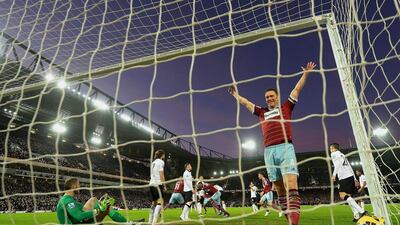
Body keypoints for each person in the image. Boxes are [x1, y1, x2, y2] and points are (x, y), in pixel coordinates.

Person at [229, 62, 317, 225]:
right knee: (280, 190)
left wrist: (306, 74)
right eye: (267, 97)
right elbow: (246, 103)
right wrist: (235, 95)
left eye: (271, 96)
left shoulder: (286, 107)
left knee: (291, 185)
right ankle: (289, 218)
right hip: (269, 152)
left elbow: (296, 89)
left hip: (285, 148)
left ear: (277, 96)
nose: (269, 98)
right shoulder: (261, 112)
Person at [56, 178, 142, 224]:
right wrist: (98, 210)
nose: (80, 187)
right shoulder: (67, 201)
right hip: (78, 223)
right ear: (74, 186)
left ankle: (129, 223)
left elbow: (83, 210)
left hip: (81, 222)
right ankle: (129, 223)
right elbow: (79, 216)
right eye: (79, 185)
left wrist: (100, 203)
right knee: (101, 208)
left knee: (97, 202)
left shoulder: (69, 199)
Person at [330, 143, 367, 221]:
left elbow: (337, 164)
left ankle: (362, 211)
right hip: (350, 176)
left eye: (331, 148)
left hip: (344, 177)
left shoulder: (334, 154)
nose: (330, 150)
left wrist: (334, 175)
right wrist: (354, 179)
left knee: (342, 195)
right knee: (348, 196)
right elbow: (350, 166)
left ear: (334, 148)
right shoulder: (342, 154)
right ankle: (356, 215)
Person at [149, 149, 167, 224]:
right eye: (164, 155)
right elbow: (161, 174)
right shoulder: (161, 162)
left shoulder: (153, 162)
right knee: (161, 202)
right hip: (157, 184)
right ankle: (154, 221)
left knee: (154, 203)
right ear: (162, 155)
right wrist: (164, 185)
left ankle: (150, 221)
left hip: (151, 183)